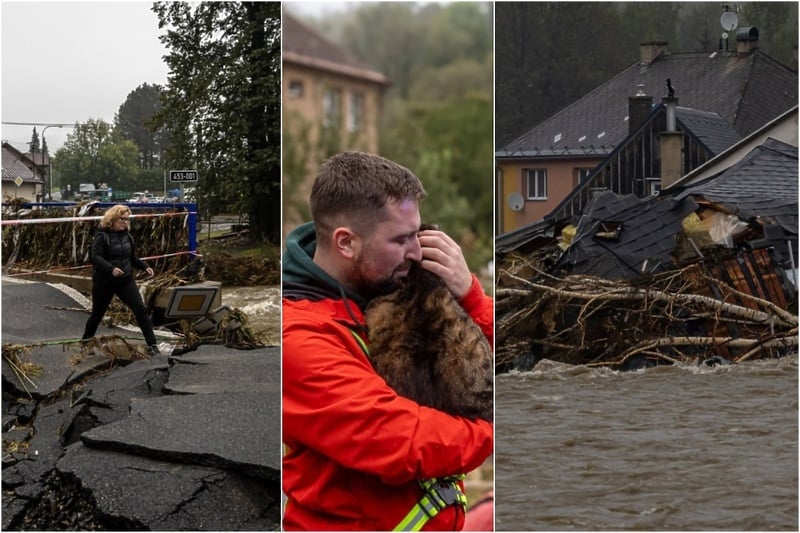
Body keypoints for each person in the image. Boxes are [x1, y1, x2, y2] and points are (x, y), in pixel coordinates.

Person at [282, 151, 494, 531]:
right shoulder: (297, 337)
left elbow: (510, 363)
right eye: (401, 239)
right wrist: (494, 429)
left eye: (418, 234)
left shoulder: (387, 286)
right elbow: (400, 440)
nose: (418, 252)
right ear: (346, 243)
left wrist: (471, 296)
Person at [81, 204, 160, 356]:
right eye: (121, 219)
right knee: (97, 314)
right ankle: (85, 342)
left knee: (140, 310)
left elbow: (131, 258)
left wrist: (144, 266)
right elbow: (95, 257)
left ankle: (152, 344)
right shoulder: (102, 236)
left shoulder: (127, 236)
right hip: (104, 282)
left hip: (125, 281)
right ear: (112, 219)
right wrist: (111, 268)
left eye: (127, 219)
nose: (125, 222)